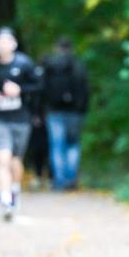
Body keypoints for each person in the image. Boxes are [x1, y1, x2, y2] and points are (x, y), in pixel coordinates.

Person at [0, 27, 42, 219]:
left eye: (7, 41)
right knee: (2, 158)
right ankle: (6, 200)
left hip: (21, 119)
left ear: (14, 44)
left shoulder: (25, 63)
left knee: (15, 160)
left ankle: (14, 190)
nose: (4, 45)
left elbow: (39, 87)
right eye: (0, 41)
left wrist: (20, 90)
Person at [42, 37, 89, 190]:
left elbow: (43, 88)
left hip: (54, 111)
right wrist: (82, 109)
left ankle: (59, 181)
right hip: (75, 113)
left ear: (57, 48)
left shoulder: (50, 66)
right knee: (72, 145)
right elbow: (86, 90)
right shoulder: (78, 66)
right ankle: (71, 178)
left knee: (57, 146)